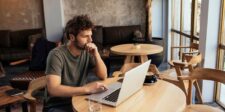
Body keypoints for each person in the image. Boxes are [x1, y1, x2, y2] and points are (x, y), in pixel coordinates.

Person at [43, 15, 108, 112]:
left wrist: (96, 54)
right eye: (85, 36)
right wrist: (86, 89)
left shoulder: (87, 51)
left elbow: (103, 76)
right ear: (72, 37)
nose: (90, 40)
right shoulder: (56, 55)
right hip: (57, 105)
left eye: (90, 35)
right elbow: (53, 89)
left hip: (79, 98)